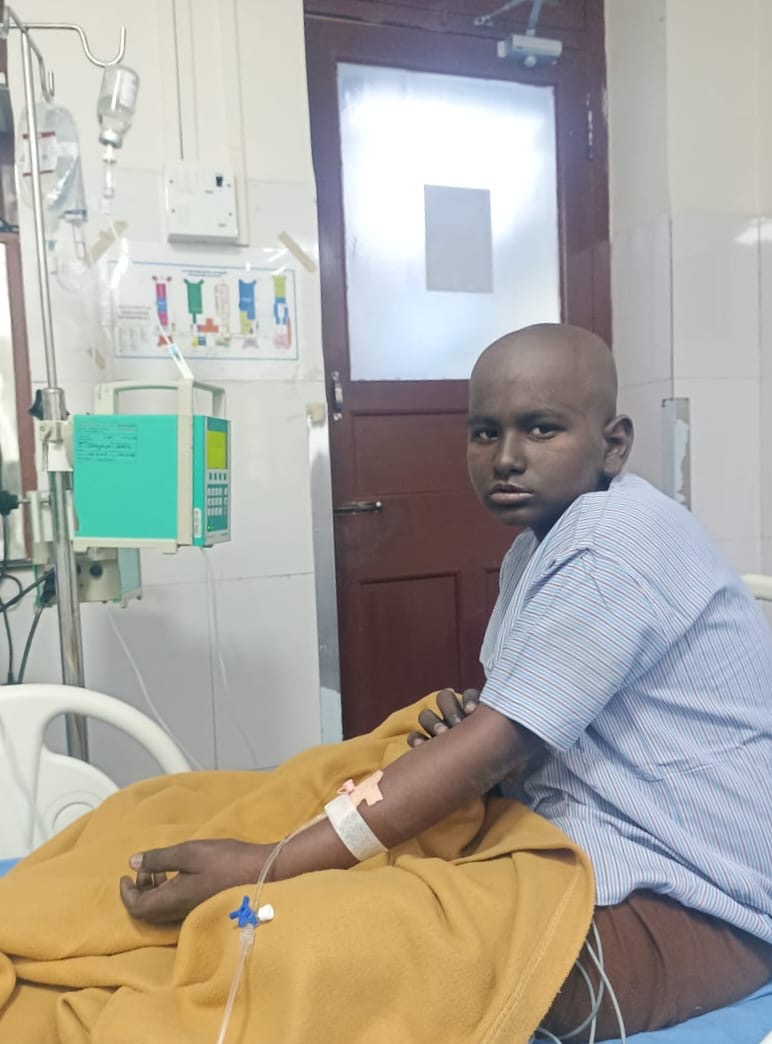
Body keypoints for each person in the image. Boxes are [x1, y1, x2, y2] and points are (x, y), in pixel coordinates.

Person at [116, 323, 772, 1039]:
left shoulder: (612, 543)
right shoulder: (538, 548)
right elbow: (521, 726)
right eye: (485, 433)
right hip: (583, 849)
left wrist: (267, 866)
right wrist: (477, 727)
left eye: (541, 429)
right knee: (313, 803)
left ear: (613, 444)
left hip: (700, 903)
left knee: (316, 946)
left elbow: (500, 743)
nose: (507, 457)